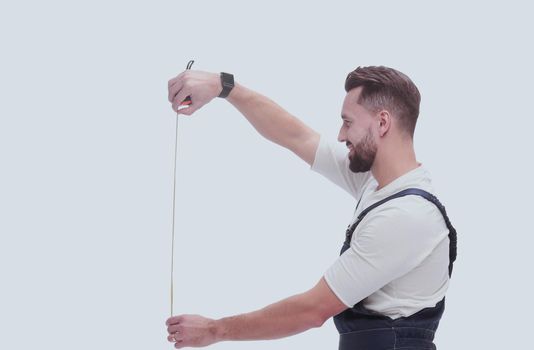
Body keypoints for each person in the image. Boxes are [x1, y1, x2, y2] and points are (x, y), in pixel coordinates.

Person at [165, 65, 457, 350]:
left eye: (348, 122)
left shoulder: (406, 218)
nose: (341, 135)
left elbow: (312, 310)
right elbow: (297, 137)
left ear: (382, 123)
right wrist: (224, 87)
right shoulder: (377, 184)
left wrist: (214, 330)